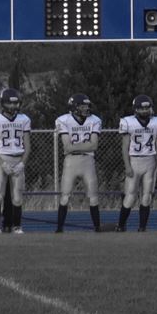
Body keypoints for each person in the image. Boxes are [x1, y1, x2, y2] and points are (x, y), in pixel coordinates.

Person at [0, 88, 31, 234]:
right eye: (11, 104)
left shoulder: (24, 119)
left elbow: (28, 146)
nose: (14, 107)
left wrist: (22, 163)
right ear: (3, 104)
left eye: (16, 103)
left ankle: (17, 226)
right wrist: (2, 163)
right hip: (1, 158)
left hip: (18, 158)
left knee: (17, 197)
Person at [55, 93, 102, 233]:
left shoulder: (94, 120)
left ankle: (97, 227)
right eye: (83, 106)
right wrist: (85, 145)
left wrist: (75, 146)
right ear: (74, 107)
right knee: (65, 195)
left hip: (88, 160)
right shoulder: (63, 120)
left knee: (93, 195)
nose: (86, 108)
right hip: (71, 161)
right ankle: (59, 228)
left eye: (87, 105)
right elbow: (66, 147)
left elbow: (94, 146)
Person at [118, 95, 157, 232]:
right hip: (134, 161)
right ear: (136, 109)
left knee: (147, 196)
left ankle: (142, 227)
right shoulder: (128, 122)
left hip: (150, 161)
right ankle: (121, 225)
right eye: (141, 108)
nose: (144, 110)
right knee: (130, 196)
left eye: (146, 107)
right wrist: (127, 166)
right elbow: (125, 147)